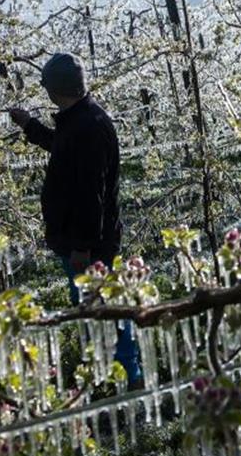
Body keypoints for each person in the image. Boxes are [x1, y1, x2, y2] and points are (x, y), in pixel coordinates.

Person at [9, 52, 143, 388]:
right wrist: (30, 126)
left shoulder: (88, 127)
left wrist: (82, 248)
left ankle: (129, 380)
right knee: (95, 309)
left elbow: (90, 195)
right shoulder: (80, 120)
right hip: (80, 240)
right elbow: (61, 147)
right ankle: (107, 375)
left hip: (88, 246)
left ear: (56, 90)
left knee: (104, 309)